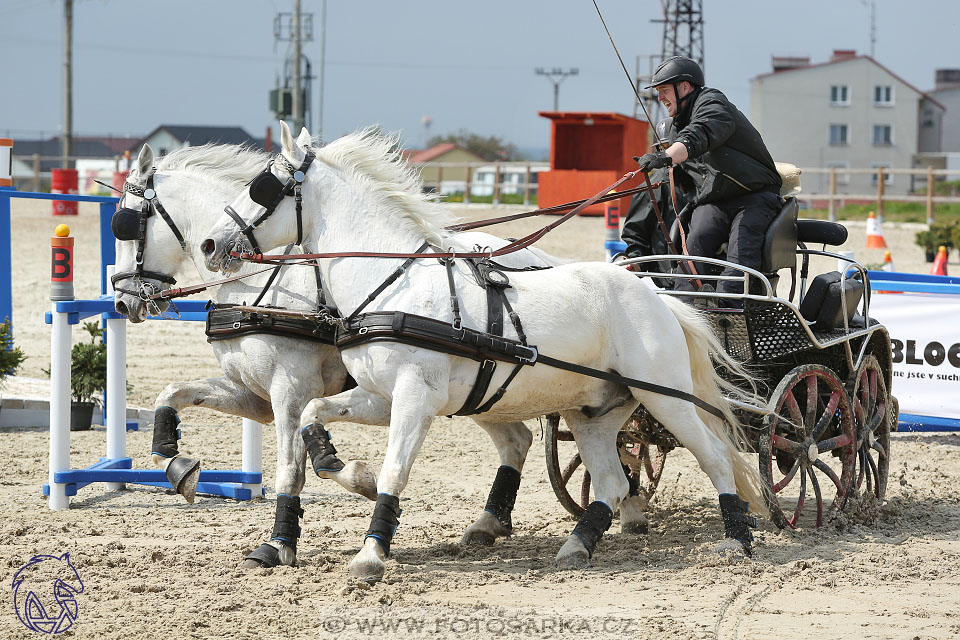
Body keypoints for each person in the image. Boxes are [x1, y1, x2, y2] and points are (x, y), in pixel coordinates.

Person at [633, 56, 782, 298]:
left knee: (739, 257)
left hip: (754, 196)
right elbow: (685, 176)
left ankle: (730, 313)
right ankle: (684, 312)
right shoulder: (675, 128)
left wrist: (667, 156)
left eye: (664, 90)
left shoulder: (713, 103)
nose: (659, 98)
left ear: (684, 87)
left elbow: (700, 133)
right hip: (714, 201)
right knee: (692, 253)